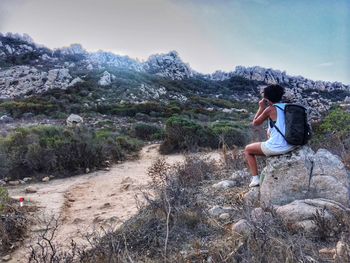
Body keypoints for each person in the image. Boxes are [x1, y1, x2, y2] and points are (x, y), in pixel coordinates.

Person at [244, 84, 296, 187]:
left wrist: (261, 107)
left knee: (247, 150)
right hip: (293, 144)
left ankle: (255, 179)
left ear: (266, 98)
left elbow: (255, 123)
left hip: (279, 147)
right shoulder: (288, 107)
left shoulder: (270, 109)